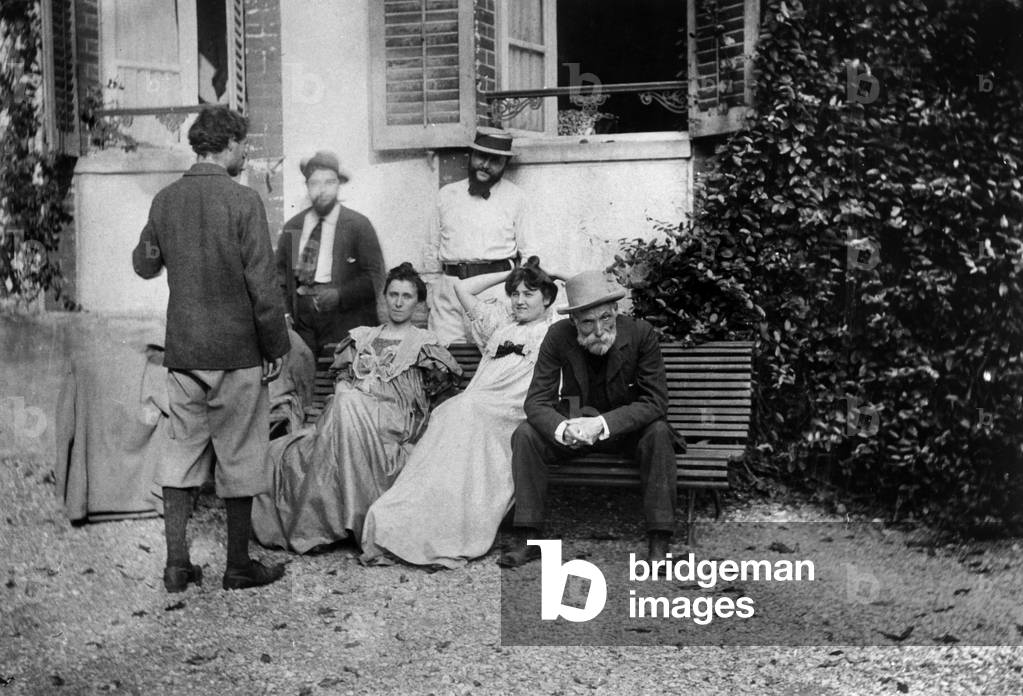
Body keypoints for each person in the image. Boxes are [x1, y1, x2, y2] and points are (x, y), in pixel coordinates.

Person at [132, 105, 290, 592]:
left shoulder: (165, 200)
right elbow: (262, 285)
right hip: (237, 352)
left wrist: (164, 243)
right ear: (226, 145)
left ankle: (176, 565)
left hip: (185, 352)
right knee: (240, 455)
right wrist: (276, 345)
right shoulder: (244, 203)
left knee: (180, 454)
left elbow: (143, 264)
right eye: (242, 144)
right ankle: (238, 566)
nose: (245, 153)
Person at [361, 257, 559, 568]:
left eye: (529, 294)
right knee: (452, 415)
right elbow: (460, 287)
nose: (520, 301)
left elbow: (580, 291)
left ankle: (453, 532)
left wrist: (552, 273)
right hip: (474, 408)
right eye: (516, 293)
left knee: (462, 410)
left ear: (546, 298)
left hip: (510, 413)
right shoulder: (499, 325)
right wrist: (513, 272)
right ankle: (417, 523)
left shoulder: (554, 329)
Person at [251, 263, 463, 552]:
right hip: (343, 417)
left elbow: (440, 401)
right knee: (288, 445)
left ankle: (332, 526)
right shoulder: (361, 338)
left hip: (393, 423)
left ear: (419, 302)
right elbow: (341, 381)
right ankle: (333, 524)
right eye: (393, 295)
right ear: (384, 298)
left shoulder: (426, 346)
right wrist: (345, 390)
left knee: (348, 401)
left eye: (407, 296)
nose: (399, 302)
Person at [498, 271, 683, 568]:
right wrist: (562, 428)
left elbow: (655, 402)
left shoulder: (640, 334)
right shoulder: (558, 336)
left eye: (606, 319)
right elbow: (536, 401)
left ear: (616, 312)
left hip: (625, 434)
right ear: (574, 322)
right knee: (526, 434)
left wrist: (603, 424)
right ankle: (529, 539)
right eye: (587, 322)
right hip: (576, 435)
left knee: (659, 432)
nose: (598, 330)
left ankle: (659, 543)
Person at [425, 128, 533, 345]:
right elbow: (431, 247)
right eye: (482, 157)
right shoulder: (447, 195)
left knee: (494, 355)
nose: (485, 165)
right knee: (445, 358)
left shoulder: (516, 198)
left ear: (505, 164)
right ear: (471, 156)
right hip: (449, 292)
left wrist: (521, 293)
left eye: (495, 160)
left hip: (493, 290)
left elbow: (530, 251)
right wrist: (432, 289)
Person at [277, 150, 385, 357]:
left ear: (338, 184)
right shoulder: (294, 227)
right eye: (315, 183)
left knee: (340, 377)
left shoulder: (357, 225)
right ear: (307, 187)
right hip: (303, 321)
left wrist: (339, 295)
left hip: (344, 319)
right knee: (305, 377)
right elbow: (281, 276)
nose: (322, 190)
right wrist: (285, 312)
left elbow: (375, 276)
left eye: (329, 182)